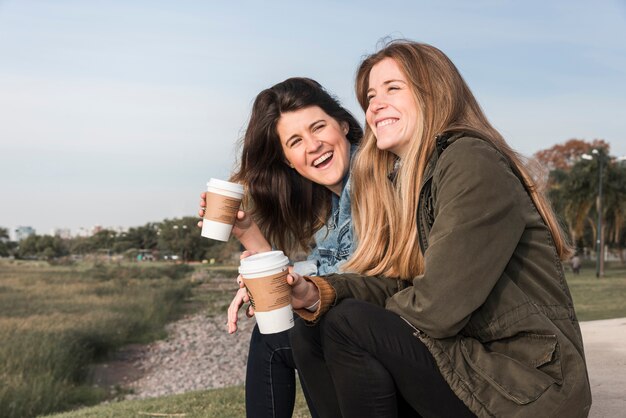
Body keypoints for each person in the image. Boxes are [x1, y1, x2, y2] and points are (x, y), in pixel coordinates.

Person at [286, 40, 592, 417]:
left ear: (435, 93)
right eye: (370, 97)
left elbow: (436, 306)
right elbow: (402, 282)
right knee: (311, 326)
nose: (374, 106)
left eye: (392, 89)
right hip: (471, 362)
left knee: (348, 322)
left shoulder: (471, 162)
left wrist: (363, 316)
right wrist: (317, 293)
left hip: (526, 383)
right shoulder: (417, 179)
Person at [198, 77, 362, 418]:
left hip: (389, 326)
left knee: (276, 341)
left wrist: (283, 284)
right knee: (281, 336)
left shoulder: (366, 178)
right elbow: (325, 269)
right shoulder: (332, 206)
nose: (313, 145)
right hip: (360, 322)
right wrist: (247, 233)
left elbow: (358, 273)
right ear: (287, 160)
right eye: (295, 141)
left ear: (343, 125)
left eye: (318, 127)